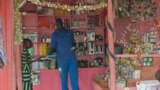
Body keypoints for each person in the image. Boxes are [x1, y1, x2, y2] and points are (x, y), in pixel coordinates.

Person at [51, 18, 79, 90]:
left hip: (72, 60)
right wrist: (48, 53)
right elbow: (53, 48)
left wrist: (75, 47)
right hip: (61, 61)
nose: (58, 26)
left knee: (74, 79)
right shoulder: (54, 35)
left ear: (62, 24)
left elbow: (74, 44)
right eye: (56, 25)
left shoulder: (69, 32)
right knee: (63, 80)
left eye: (59, 24)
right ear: (55, 25)